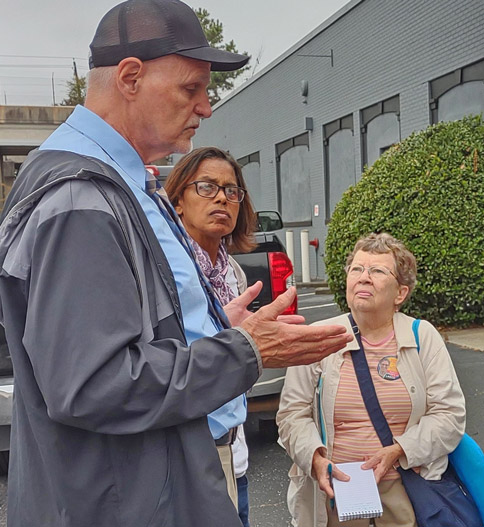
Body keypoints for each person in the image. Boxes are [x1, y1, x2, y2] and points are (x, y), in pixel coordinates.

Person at [0, 1, 351, 526]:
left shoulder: (117, 184)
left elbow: (115, 344)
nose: (206, 107)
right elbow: (94, 383)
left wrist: (213, 330)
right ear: (130, 76)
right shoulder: (80, 198)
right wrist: (243, 350)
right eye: (192, 88)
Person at [277, 233, 466, 527]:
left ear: (400, 293)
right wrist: (315, 459)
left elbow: (450, 415)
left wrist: (400, 450)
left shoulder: (422, 336)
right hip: (336, 491)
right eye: (357, 269)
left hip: (405, 491)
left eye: (377, 271)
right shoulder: (318, 337)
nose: (364, 278)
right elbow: (291, 414)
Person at [164, 146, 256, 522]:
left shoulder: (233, 272)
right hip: (189, 456)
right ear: (179, 202)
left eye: (231, 190)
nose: (222, 197)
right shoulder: (168, 270)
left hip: (236, 452)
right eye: (206, 187)